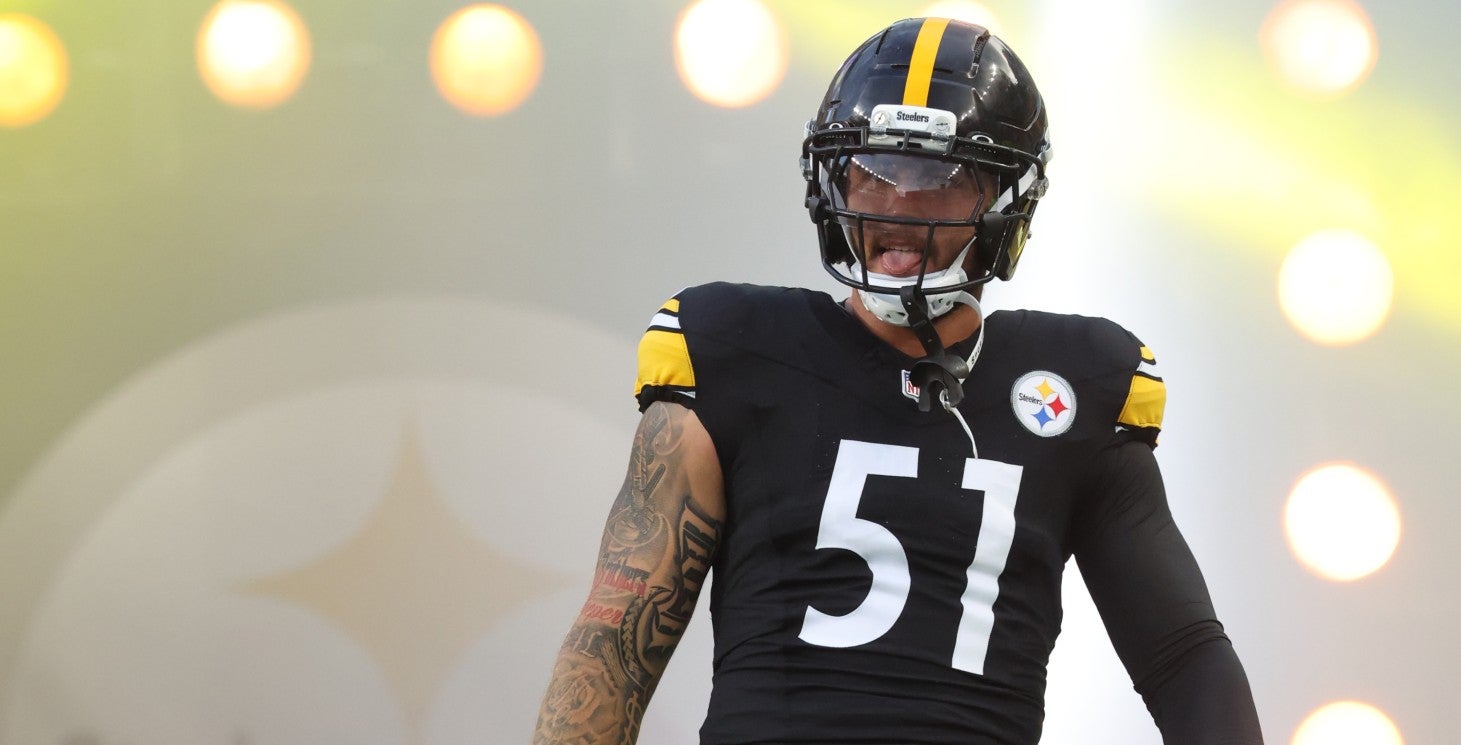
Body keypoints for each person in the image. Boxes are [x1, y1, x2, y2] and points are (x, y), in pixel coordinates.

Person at [533, 16, 1264, 745]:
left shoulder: (1081, 384)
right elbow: (615, 641)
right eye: (873, 169)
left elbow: (1184, 658)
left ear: (1005, 200)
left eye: (937, 178)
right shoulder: (732, 349)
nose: (895, 204)